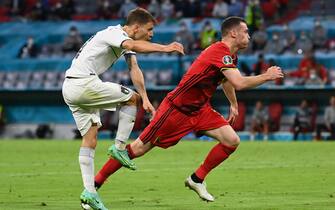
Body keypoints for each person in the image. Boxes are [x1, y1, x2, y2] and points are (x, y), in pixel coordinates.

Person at [91, 16, 283, 206]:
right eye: (246, 31)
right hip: (176, 110)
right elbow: (239, 82)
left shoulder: (230, 56)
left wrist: (233, 103)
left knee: (231, 140)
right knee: (137, 149)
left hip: (200, 109)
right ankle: (94, 185)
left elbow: (226, 80)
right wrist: (266, 76)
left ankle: (197, 179)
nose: (249, 36)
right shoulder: (219, 51)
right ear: (233, 33)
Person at [62, 8, 184, 210]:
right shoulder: (115, 33)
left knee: (90, 138)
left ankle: (89, 193)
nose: (151, 34)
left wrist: (144, 98)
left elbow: (134, 68)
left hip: (71, 87)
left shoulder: (122, 40)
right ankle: (119, 148)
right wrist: (165, 48)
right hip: (83, 84)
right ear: (136, 27)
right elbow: (133, 44)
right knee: (130, 99)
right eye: (150, 29)